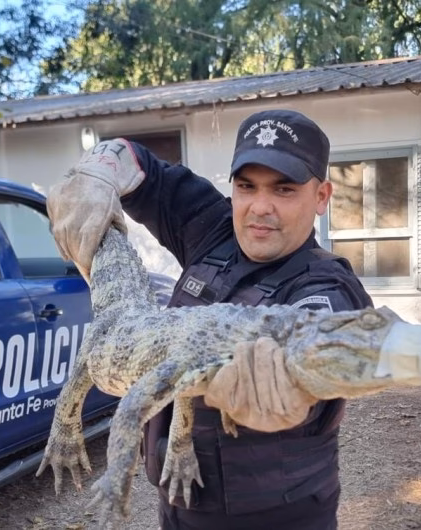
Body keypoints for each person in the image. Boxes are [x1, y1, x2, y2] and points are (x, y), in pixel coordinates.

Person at [46, 109, 373, 529]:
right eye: (246, 186)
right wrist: (99, 169)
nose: (259, 208)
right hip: (181, 502)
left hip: (275, 517)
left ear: (322, 197)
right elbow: (145, 170)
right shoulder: (216, 229)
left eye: (284, 189)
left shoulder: (326, 286)